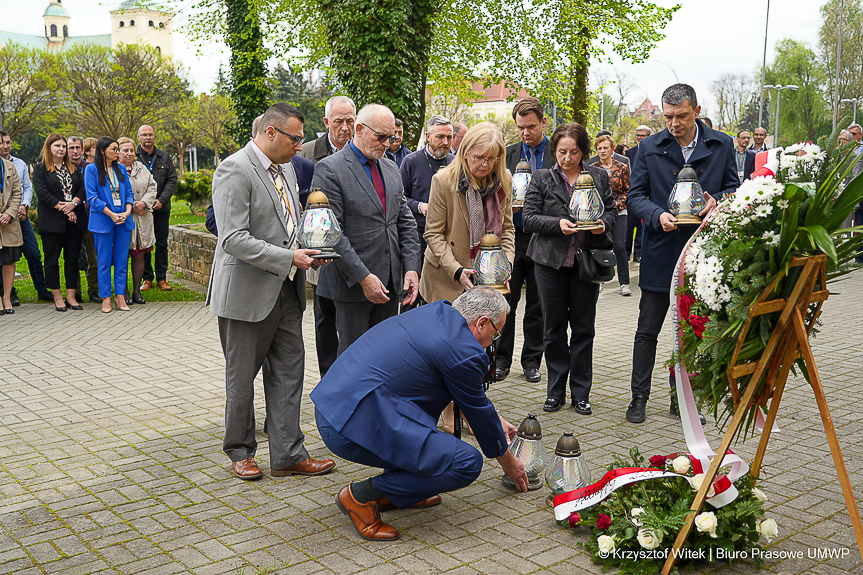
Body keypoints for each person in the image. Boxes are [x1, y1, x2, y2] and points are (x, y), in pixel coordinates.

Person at [311, 286, 528, 541]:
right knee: (465, 463)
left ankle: (400, 491)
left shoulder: (436, 312)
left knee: (435, 453)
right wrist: (511, 464)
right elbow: (476, 410)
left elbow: (469, 398)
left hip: (333, 408)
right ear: (481, 323)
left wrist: (494, 418)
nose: (493, 341)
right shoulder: (464, 350)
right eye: (496, 332)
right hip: (347, 427)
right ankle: (361, 496)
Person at [208, 102, 336, 481]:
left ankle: (287, 453)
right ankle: (241, 451)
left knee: (289, 374)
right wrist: (288, 257)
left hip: (287, 290)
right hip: (246, 294)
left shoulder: (289, 171)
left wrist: (311, 252)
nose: (301, 145)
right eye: (295, 138)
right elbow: (232, 238)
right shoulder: (234, 169)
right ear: (270, 133)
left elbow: (287, 226)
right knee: (241, 376)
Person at [625, 83, 739, 424]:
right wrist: (657, 215)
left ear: (697, 111)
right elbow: (635, 197)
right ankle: (639, 399)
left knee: (692, 330)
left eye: (681, 116)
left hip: (702, 253)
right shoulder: (648, 146)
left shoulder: (722, 144)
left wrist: (717, 200)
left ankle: (683, 402)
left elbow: (735, 187)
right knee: (648, 329)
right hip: (662, 248)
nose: (674, 123)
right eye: (668, 116)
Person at [310, 103, 422, 356]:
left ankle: (379, 398)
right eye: (380, 136)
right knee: (354, 356)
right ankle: (346, 398)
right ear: (359, 129)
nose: (386, 143)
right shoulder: (330, 168)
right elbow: (332, 231)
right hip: (352, 284)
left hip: (390, 281)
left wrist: (412, 268)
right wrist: (363, 277)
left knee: (384, 354)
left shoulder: (391, 167)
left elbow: (404, 220)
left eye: (391, 137)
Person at [522, 123, 617, 415]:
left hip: (585, 264)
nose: (567, 158)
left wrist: (604, 223)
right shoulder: (541, 178)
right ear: (554, 151)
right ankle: (555, 392)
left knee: (583, 329)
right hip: (550, 263)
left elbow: (612, 210)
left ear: (583, 151)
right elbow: (528, 218)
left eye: (573, 152)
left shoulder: (598, 175)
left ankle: (581, 393)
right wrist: (557, 224)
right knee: (553, 330)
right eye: (562, 152)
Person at [300, 96, 356, 377]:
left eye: (350, 121)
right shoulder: (307, 154)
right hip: (321, 255)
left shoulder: (365, 150)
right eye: (339, 122)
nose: (346, 127)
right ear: (326, 123)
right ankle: (328, 380)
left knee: (352, 323)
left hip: (355, 253)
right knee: (325, 322)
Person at [500, 97, 550, 383]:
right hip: (512, 238)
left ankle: (532, 361)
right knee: (505, 301)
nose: (525, 133)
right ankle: (501, 359)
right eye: (520, 127)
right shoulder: (507, 154)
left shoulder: (557, 152)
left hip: (543, 238)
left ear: (543, 122)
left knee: (538, 305)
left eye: (530, 126)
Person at [399, 114, 455, 311]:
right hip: (418, 238)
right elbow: (399, 198)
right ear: (428, 136)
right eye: (440, 137)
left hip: (447, 240)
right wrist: (419, 206)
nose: (445, 142)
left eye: (449, 137)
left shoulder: (456, 163)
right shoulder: (411, 161)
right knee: (412, 295)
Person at [33, 134, 86, 312]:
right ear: (49, 147)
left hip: (73, 222)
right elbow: (42, 193)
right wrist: (64, 208)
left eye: (64, 146)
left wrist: (74, 204)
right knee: (51, 261)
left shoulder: (73, 168)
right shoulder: (41, 169)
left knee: (72, 260)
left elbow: (82, 188)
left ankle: (71, 296)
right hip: (52, 223)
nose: (62, 149)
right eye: (57, 146)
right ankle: (57, 297)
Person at [0, 131, 51, 304]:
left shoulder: (19, 164)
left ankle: (42, 290)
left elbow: (26, 189)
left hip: (19, 216)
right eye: (2, 143)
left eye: (8, 142)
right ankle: (9, 294)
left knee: (34, 254)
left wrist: (24, 206)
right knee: (4, 258)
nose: (6, 146)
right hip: (2, 218)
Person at [86, 137, 135, 314]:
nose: (117, 152)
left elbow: (129, 193)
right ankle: (106, 297)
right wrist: (111, 214)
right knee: (104, 261)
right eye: (114, 149)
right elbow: (92, 198)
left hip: (123, 219)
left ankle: (120, 296)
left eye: (117, 148)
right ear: (102, 151)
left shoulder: (121, 168)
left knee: (122, 261)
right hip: (104, 221)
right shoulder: (91, 170)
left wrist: (127, 212)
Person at [136, 124, 177, 292]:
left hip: (161, 208)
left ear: (154, 136)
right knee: (144, 244)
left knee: (161, 243)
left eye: (150, 134)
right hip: (142, 209)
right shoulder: (135, 156)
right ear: (138, 137)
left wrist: (161, 199)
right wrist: (143, 202)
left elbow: (172, 180)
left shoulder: (164, 157)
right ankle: (147, 279)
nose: (148, 137)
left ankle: (161, 278)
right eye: (144, 135)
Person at [591, 133, 631, 296]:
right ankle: (600, 280)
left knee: (619, 246)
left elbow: (628, 191)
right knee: (600, 245)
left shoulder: (622, 167)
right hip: (599, 214)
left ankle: (624, 283)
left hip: (619, 211)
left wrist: (615, 205)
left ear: (612, 149)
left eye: (605, 148)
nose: (602, 151)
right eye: (599, 148)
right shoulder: (592, 168)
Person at [118, 137, 157, 306]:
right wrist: (132, 206)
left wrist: (144, 203)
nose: (129, 153)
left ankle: (136, 291)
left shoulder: (141, 168)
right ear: (117, 152)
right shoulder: (113, 170)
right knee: (122, 255)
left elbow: (152, 186)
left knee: (139, 254)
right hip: (124, 217)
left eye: (132, 150)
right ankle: (123, 291)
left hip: (143, 217)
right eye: (125, 150)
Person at [68, 135, 100, 302]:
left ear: (83, 150)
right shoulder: (63, 169)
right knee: (72, 257)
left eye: (77, 148)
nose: (75, 151)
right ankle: (75, 292)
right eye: (71, 148)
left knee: (92, 257)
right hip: (70, 218)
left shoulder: (91, 168)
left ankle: (93, 290)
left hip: (90, 218)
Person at [624, 125, 651, 264]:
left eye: (642, 135)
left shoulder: (652, 151)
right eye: (638, 135)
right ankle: (626, 252)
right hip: (630, 194)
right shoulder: (629, 153)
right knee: (628, 226)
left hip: (645, 196)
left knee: (641, 227)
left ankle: (638, 254)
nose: (639, 138)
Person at [0, 150, 23, 314]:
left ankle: (7, 297)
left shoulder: (9, 166)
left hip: (9, 222)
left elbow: (17, 192)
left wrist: (9, 213)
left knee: (9, 260)